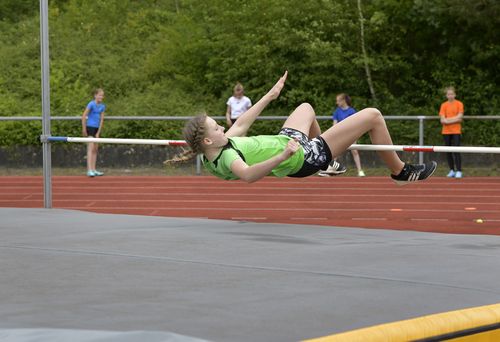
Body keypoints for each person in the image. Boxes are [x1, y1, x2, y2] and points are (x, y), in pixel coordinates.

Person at [173, 71, 436, 185]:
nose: (222, 127)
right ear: (208, 141)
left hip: (287, 140)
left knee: (306, 108)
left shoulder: (218, 149)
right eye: (216, 128)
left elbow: (241, 124)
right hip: (300, 156)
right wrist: (283, 156)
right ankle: (400, 171)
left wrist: (270, 95)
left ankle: (327, 161)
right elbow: (249, 176)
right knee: (373, 116)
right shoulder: (228, 157)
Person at [319, 93, 365, 177]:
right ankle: (330, 169)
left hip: (351, 134)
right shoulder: (337, 112)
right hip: (340, 135)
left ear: (343, 100)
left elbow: (356, 124)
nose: (337, 103)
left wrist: (354, 134)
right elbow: (334, 125)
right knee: (334, 152)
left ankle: (360, 171)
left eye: (338, 100)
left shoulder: (352, 111)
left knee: (355, 151)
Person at [439, 86, 464, 178]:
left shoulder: (459, 104)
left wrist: (447, 120)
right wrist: (454, 119)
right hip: (446, 132)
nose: (450, 96)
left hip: (456, 131)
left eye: (452, 94)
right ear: (446, 95)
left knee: (457, 150)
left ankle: (459, 170)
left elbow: (460, 117)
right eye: (448, 94)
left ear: (455, 94)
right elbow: (442, 120)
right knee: (448, 151)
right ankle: (452, 170)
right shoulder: (443, 105)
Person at [81, 88, 106, 177]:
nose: (101, 97)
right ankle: (89, 170)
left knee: (95, 149)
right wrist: (84, 129)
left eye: (102, 95)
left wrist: (99, 131)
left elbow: (102, 119)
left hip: (96, 128)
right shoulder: (91, 104)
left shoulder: (102, 106)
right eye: (99, 95)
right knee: (90, 148)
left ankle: (94, 169)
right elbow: (84, 116)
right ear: (95, 95)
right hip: (90, 127)